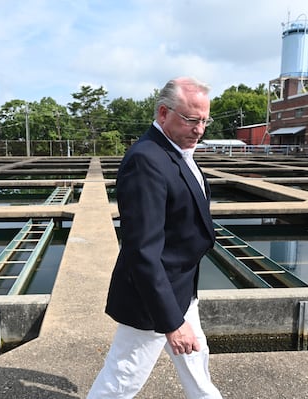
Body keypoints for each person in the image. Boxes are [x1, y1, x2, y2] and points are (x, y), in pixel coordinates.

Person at [87, 77, 223, 398]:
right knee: (122, 378)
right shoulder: (147, 159)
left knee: (195, 359)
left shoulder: (177, 150)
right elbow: (142, 251)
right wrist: (171, 323)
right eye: (192, 119)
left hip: (180, 287)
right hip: (151, 298)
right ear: (163, 113)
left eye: (205, 120)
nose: (200, 129)